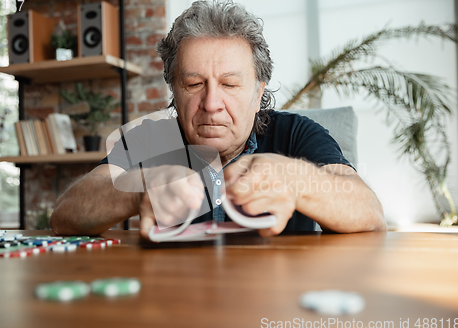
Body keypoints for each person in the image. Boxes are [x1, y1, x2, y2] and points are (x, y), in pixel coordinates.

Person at [50, 0, 386, 237]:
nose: (211, 104)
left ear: (257, 94)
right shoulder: (149, 138)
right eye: (194, 84)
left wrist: (297, 180)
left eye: (230, 84)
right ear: (174, 91)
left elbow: (369, 212)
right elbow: (65, 215)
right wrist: (135, 191)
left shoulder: (297, 134)